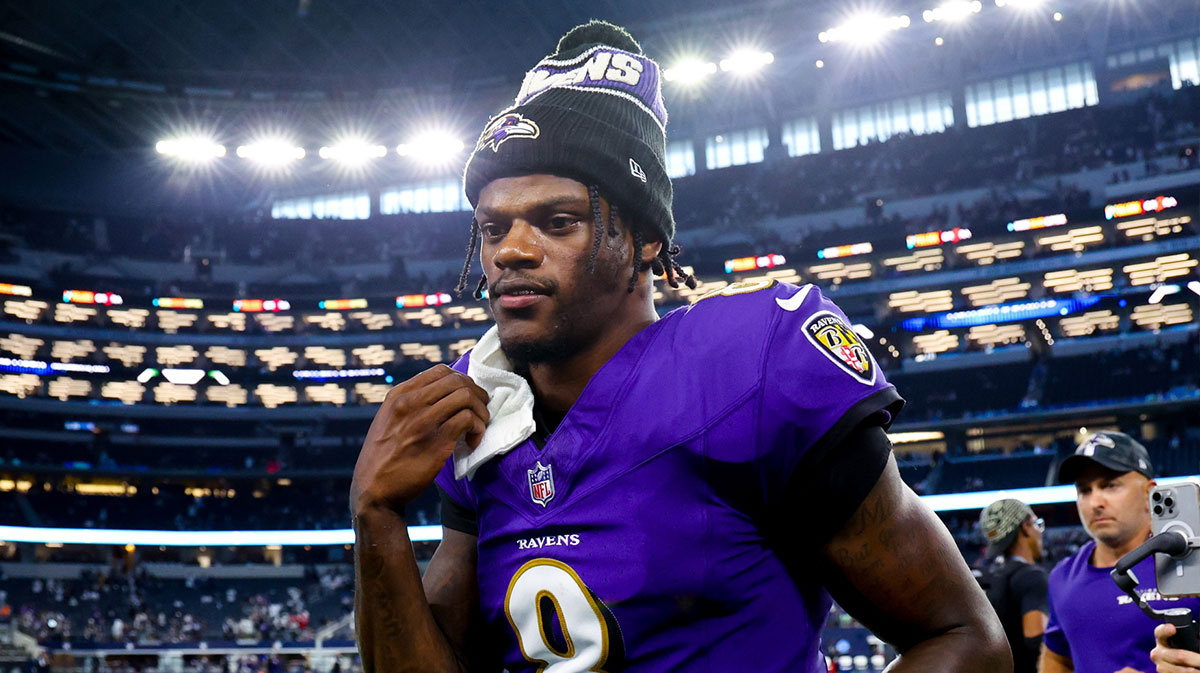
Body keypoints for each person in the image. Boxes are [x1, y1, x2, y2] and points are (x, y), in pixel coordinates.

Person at [351, 20, 1008, 673]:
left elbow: (963, 637)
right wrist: (375, 515)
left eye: (558, 221)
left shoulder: (749, 362)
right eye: (494, 228)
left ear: (645, 239)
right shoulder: (478, 408)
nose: (512, 251)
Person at [1041, 431, 1200, 673]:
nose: (1095, 502)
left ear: (1150, 492)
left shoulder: (1191, 562)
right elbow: (1057, 659)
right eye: (1085, 490)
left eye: (1110, 485)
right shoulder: (1062, 577)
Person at [979, 498, 1048, 673]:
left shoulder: (988, 577)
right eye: (1037, 524)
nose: (1040, 532)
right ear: (1025, 526)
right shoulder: (1032, 578)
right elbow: (1036, 641)